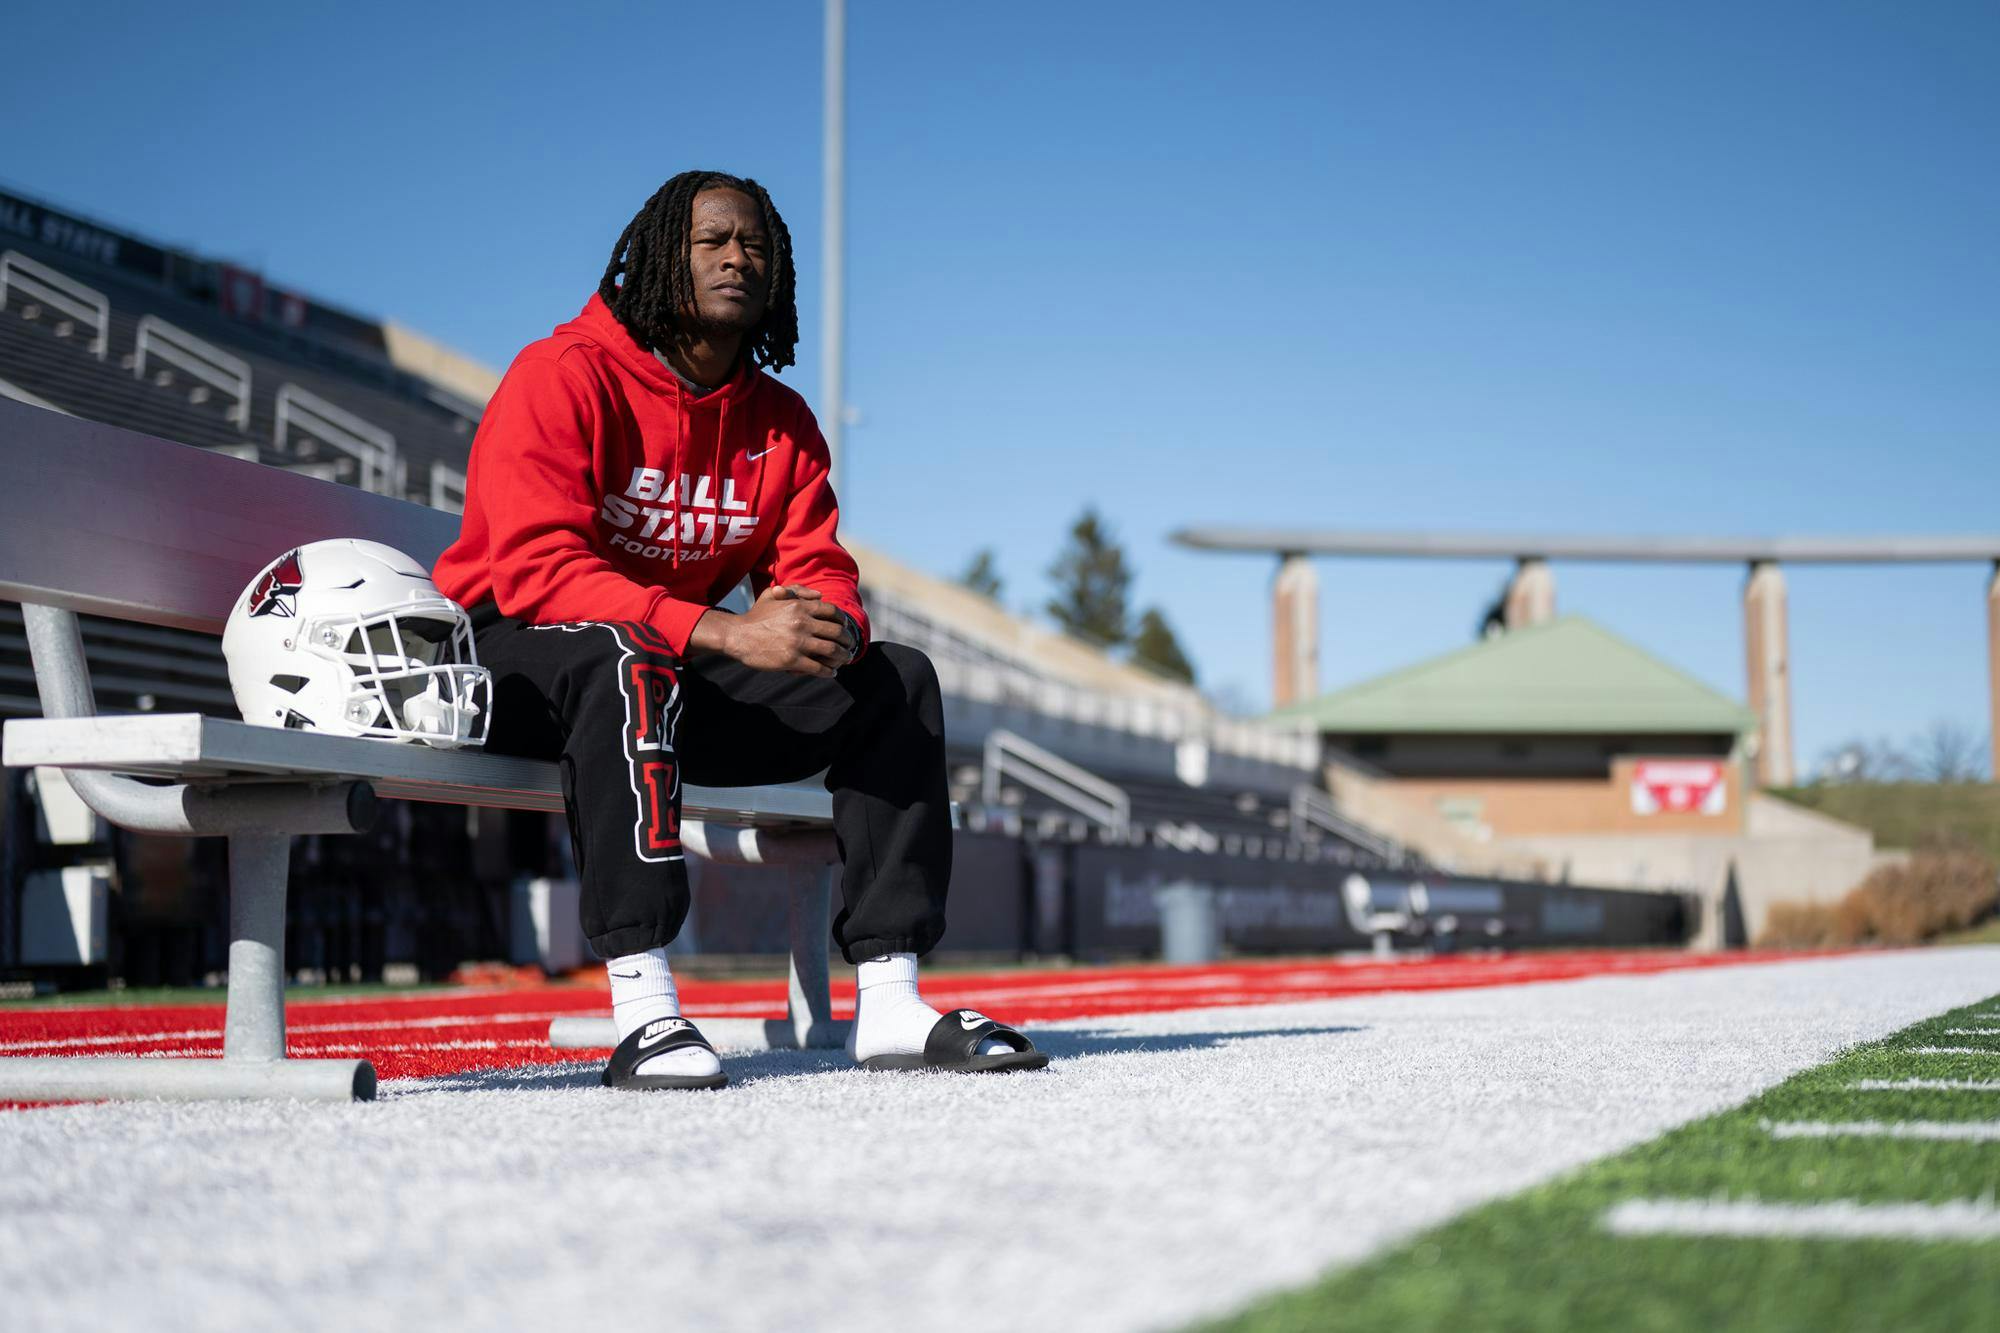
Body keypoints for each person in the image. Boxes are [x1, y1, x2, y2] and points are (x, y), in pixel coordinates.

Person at [434, 170, 1045, 1088]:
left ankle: (887, 997)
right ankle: (644, 1009)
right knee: (627, 657)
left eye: (754, 244)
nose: (737, 257)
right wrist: (726, 634)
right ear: (659, 258)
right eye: (712, 240)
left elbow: (819, 563)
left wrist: (825, 622)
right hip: (507, 668)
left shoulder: (781, 424)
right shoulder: (561, 376)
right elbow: (533, 573)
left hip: (661, 675)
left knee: (894, 679)